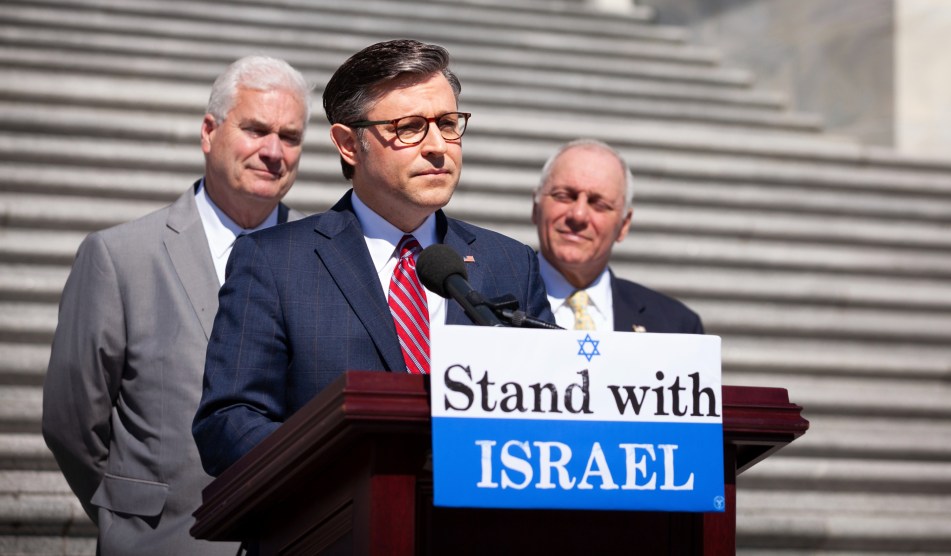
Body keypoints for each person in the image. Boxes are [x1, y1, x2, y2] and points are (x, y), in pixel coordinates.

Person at [192, 39, 554, 477]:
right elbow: (227, 423)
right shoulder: (275, 263)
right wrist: (354, 469)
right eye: (410, 127)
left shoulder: (511, 263)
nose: (438, 146)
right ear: (349, 144)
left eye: (448, 123)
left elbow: (551, 409)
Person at [42, 55, 312, 555]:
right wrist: (127, 515)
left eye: (290, 137)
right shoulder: (120, 257)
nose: (273, 151)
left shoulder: (324, 259)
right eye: (255, 129)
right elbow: (70, 421)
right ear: (209, 132)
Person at [532, 139, 704, 333]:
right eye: (564, 196)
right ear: (535, 207)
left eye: (599, 204)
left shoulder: (677, 326)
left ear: (624, 224)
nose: (578, 215)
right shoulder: (492, 309)